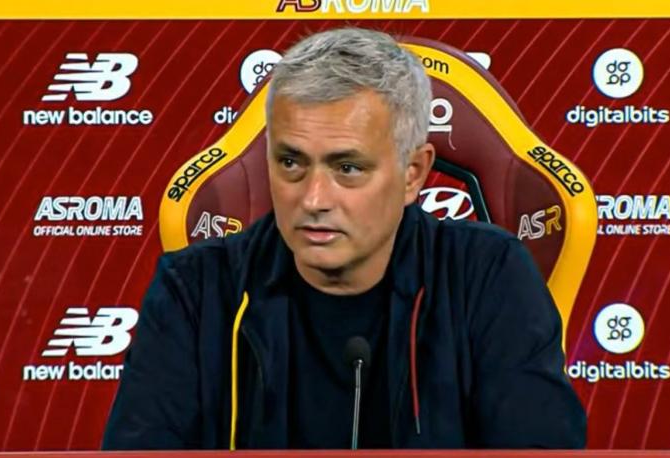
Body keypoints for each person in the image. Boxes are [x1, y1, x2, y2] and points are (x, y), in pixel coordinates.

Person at [102, 27, 586, 450]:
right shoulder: (196, 288)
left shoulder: (490, 275)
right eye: (290, 162)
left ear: (413, 173)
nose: (313, 199)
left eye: (348, 168)